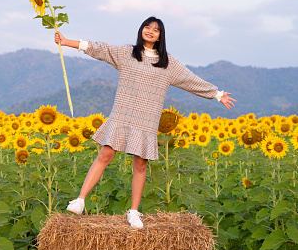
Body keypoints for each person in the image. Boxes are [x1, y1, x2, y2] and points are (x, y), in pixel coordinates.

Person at [54, 16, 236, 228]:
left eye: (156, 30)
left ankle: (133, 212)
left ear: (160, 36)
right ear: (141, 30)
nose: (150, 31)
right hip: (122, 113)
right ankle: (80, 200)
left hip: (147, 117)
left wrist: (217, 94)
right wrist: (67, 42)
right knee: (105, 154)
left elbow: (190, 80)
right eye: (147, 27)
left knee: (140, 164)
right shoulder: (126, 53)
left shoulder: (168, 63)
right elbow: (99, 49)